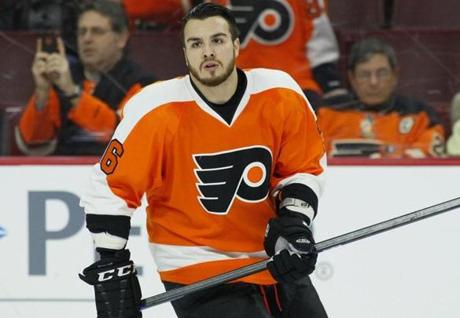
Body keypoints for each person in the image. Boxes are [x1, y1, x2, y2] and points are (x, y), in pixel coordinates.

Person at [78, 3, 328, 318]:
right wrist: (109, 265)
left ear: (236, 46)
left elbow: (302, 167)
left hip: (271, 256)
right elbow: (110, 188)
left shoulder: (281, 93)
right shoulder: (154, 110)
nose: (207, 52)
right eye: (196, 44)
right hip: (195, 264)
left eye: (217, 40)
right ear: (185, 54)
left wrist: (295, 223)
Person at [118, 0, 346, 106]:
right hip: (225, 91)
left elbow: (321, 52)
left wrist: (331, 86)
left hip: (293, 91)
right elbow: (142, 6)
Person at [16, 0, 156, 156]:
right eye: (82, 32)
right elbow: (32, 141)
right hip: (62, 172)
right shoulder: (62, 78)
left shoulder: (143, 84)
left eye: (97, 31)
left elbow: (122, 136)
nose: (87, 39)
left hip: (115, 174)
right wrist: (42, 92)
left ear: (121, 38)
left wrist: (72, 92)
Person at [317, 37, 445, 158]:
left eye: (382, 73)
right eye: (365, 74)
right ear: (352, 78)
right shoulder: (325, 114)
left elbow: (428, 157)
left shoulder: (421, 116)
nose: (374, 82)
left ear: (395, 75)